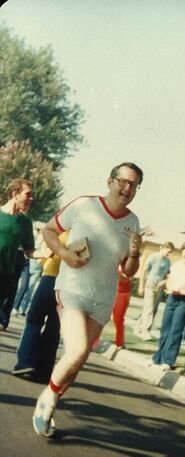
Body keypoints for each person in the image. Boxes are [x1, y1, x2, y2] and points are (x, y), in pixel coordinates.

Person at [32, 162, 143, 437]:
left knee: (78, 361)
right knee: (78, 350)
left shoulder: (133, 222)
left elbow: (127, 272)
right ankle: (47, 397)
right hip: (71, 289)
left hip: (103, 298)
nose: (127, 188)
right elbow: (48, 230)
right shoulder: (84, 205)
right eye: (123, 181)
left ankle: (51, 406)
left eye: (134, 185)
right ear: (110, 181)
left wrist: (135, 254)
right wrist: (64, 254)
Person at [12, 232, 69, 381]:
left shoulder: (60, 232)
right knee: (54, 326)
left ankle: (26, 362)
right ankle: (44, 370)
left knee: (34, 319)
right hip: (70, 286)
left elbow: (44, 259)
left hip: (50, 278)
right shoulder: (89, 236)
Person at [0, 178, 50, 330]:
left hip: (5, 276)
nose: (31, 198)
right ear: (15, 193)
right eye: (28, 194)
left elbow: (29, 250)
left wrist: (45, 253)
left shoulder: (25, 223)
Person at [151, 242, 185, 370]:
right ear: (182, 252)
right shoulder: (176, 265)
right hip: (172, 298)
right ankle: (158, 358)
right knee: (165, 329)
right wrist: (170, 288)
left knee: (175, 331)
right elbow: (169, 280)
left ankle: (168, 360)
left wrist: (181, 292)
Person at [136, 241, 174, 340]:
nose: (168, 254)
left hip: (159, 286)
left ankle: (138, 328)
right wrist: (141, 286)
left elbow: (168, 275)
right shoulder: (153, 257)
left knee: (151, 308)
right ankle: (145, 331)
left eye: (170, 252)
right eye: (168, 251)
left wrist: (165, 283)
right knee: (149, 308)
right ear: (163, 248)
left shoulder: (168, 261)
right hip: (150, 284)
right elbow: (143, 271)